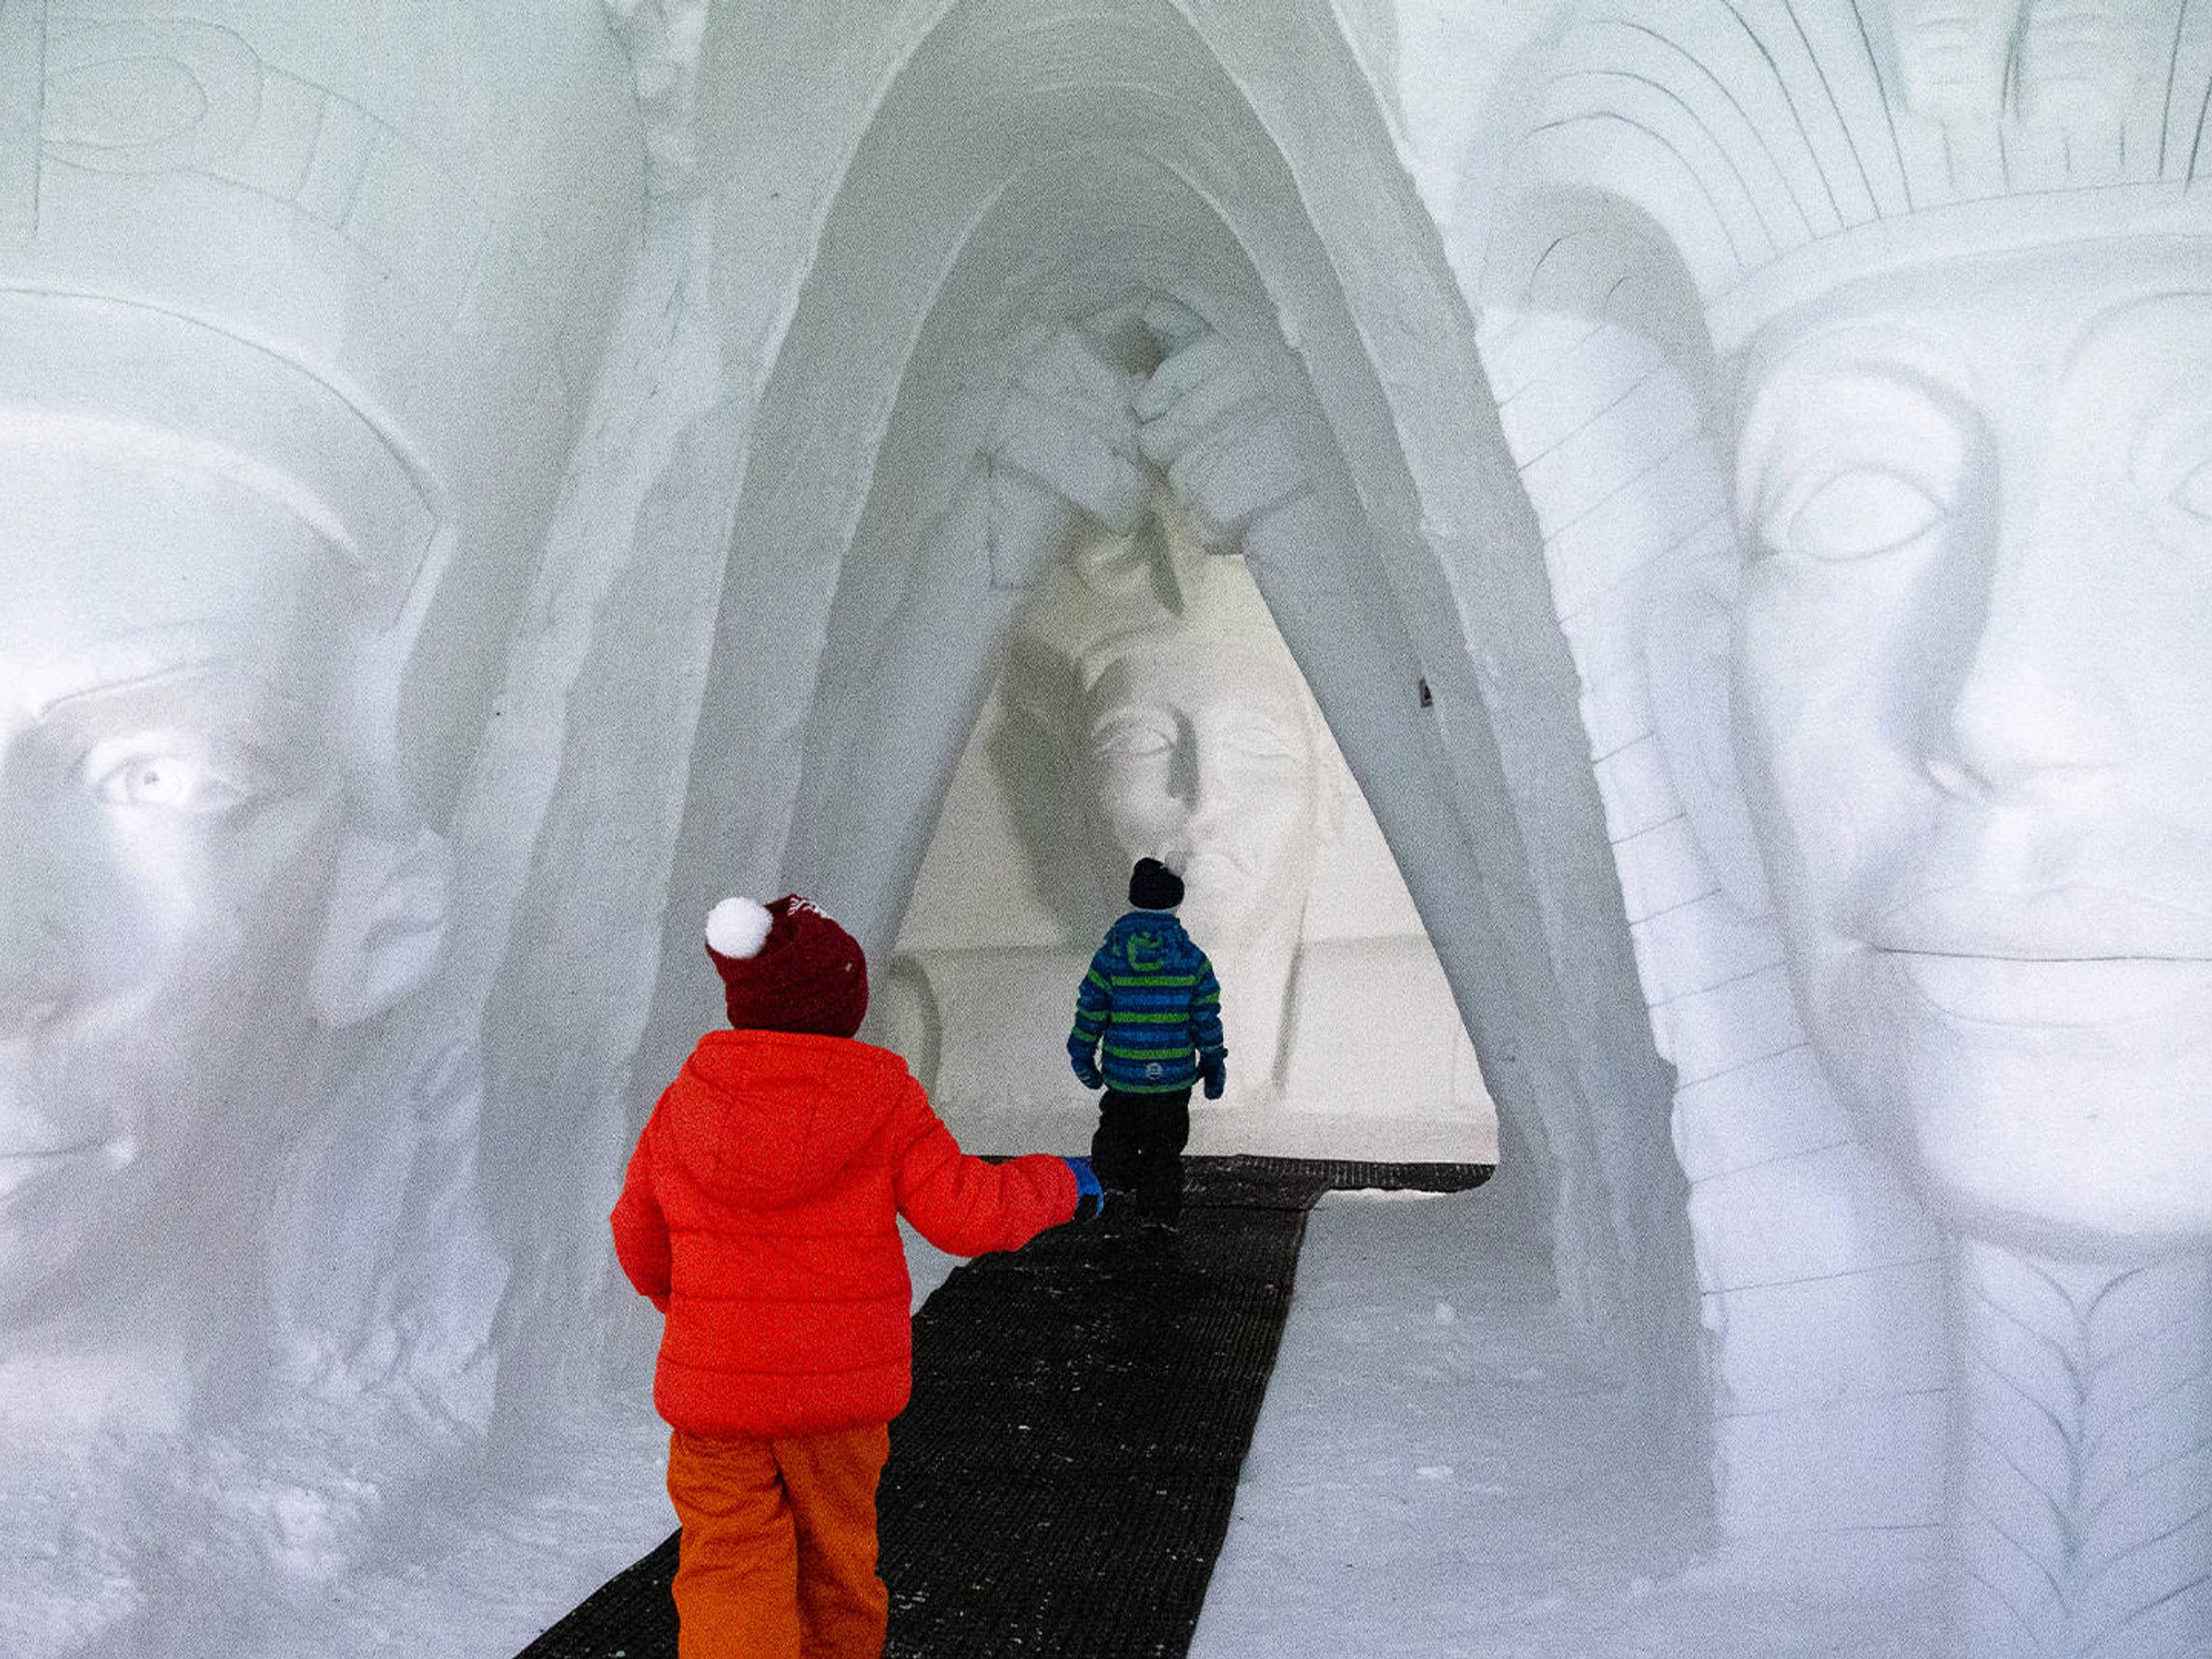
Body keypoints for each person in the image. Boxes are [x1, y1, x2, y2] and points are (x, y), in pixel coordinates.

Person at [612, 894, 1100, 1659]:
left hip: (716, 1401)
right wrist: (1061, 1183)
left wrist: (696, 1312)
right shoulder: (883, 1099)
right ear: (843, 1005)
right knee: (835, 1571)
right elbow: (966, 1214)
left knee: (727, 1571)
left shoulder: (685, 1103)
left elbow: (636, 1234)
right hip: (836, 1405)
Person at [1067, 857, 1228, 1225]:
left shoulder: (1110, 957)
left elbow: (1091, 1009)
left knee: (1116, 1131)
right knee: (1163, 1147)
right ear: (1175, 905)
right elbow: (1206, 1018)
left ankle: (1113, 1181)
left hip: (1124, 1078)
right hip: (1172, 1081)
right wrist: (1213, 1061)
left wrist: (1082, 1055)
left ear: (1133, 901)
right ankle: (1159, 1217)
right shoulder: (1193, 961)